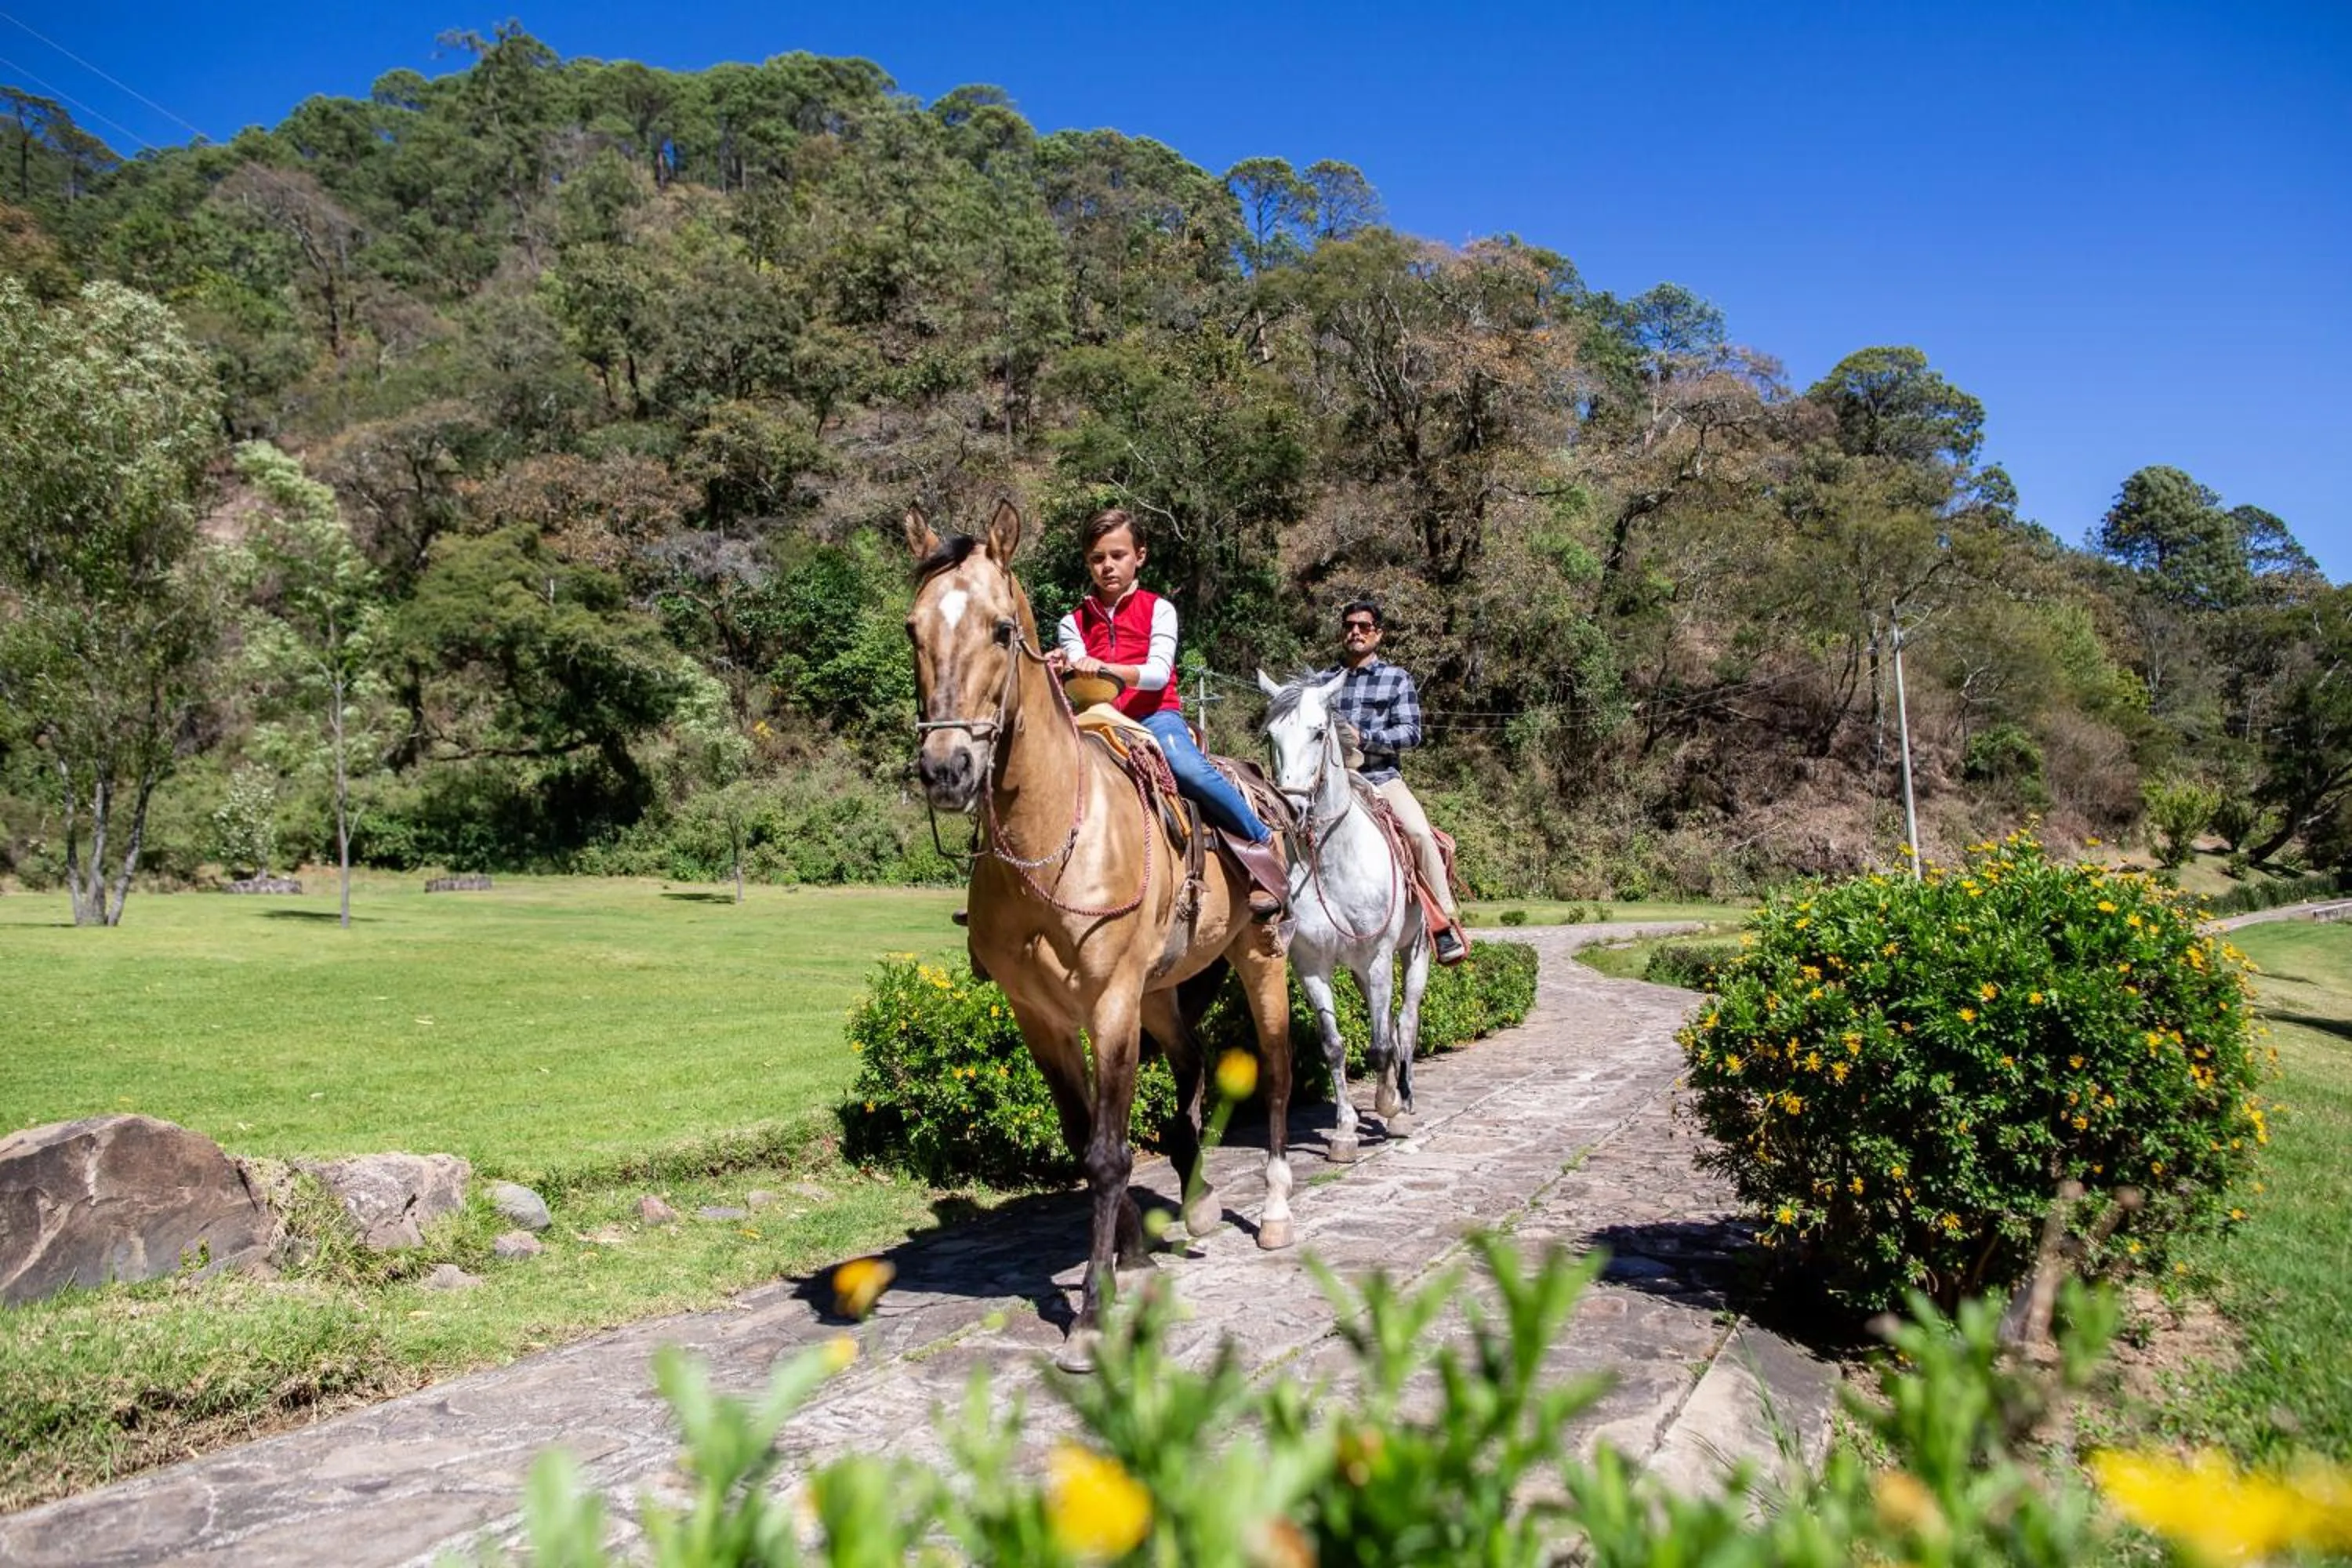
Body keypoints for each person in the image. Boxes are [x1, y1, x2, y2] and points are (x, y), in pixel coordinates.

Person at [1047, 508, 1287, 920]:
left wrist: (1101, 667)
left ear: (1140, 556)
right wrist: (1058, 669)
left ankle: (1262, 843)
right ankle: (1010, 879)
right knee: (1034, 766)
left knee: (1185, 766)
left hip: (1154, 716)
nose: (1107, 566)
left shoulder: (1159, 609)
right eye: (1097, 558)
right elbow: (1078, 677)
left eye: (1118, 555)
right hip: (1095, 719)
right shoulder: (1073, 622)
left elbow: (1158, 674)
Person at [1318, 599, 1469, 964]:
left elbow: (1411, 733)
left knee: (1418, 833)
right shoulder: (1322, 682)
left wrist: (1365, 737)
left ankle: (1443, 924)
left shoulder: (1396, 679)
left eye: (1364, 626)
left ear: (1378, 634)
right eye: (1349, 625)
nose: (1355, 631)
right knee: (1283, 827)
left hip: (1381, 777)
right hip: (1331, 781)